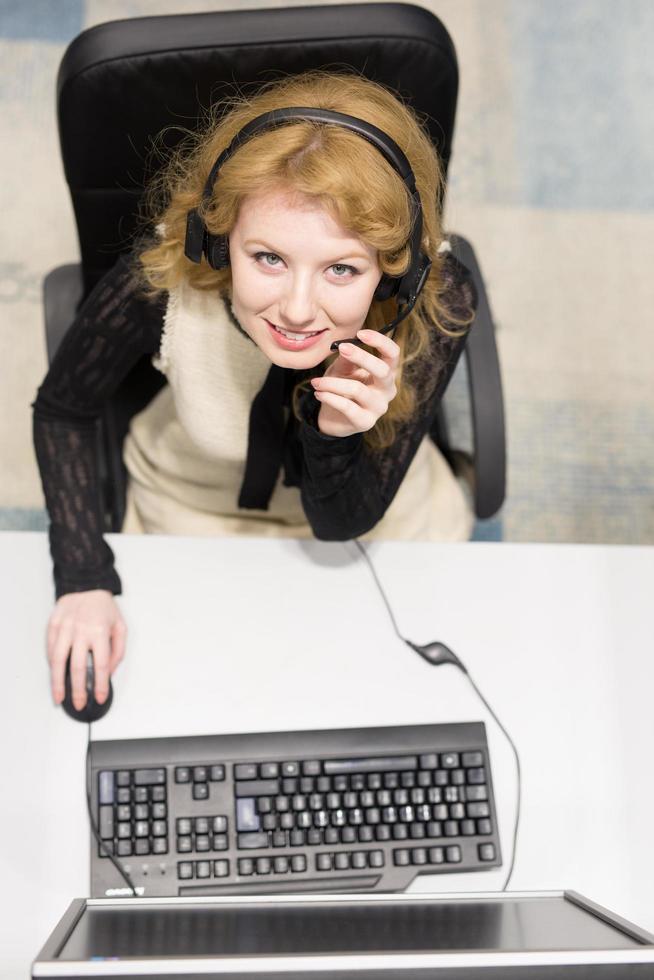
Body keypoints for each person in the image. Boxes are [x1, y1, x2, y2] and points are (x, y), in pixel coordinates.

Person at [33, 71, 476, 712]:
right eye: (267, 257)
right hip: (193, 504)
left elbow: (341, 523)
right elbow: (63, 411)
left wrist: (338, 435)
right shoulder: (164, 278)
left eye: (342, 268)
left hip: (373, 520)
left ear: (395, 274)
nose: (297, 310)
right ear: (219, 240)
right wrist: (81, 576)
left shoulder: (435, 299)